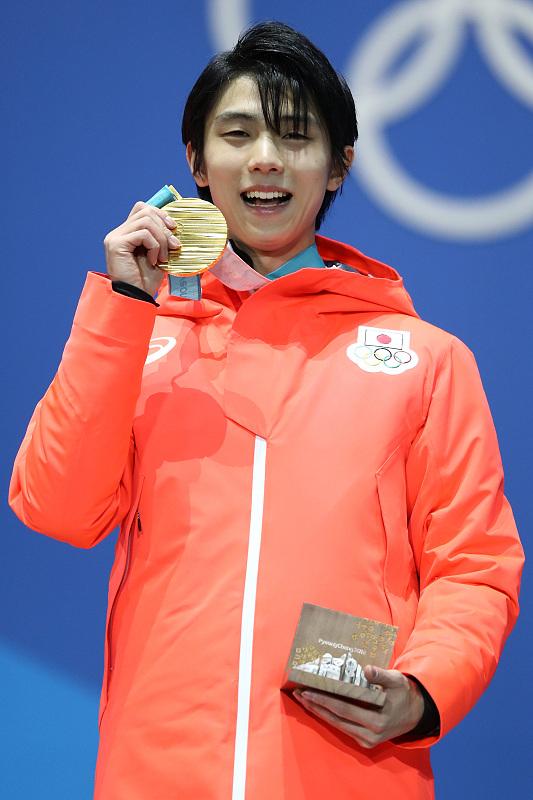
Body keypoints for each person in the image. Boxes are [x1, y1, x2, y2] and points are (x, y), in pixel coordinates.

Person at [9, 20, 524, 800]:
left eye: (295, 135)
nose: (265, 158)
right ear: (195, 161)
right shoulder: (135, 336)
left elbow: (474, 566)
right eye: (237, 133)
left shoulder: (426, 359)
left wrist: (424, 689)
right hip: (157, 774)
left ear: (339, 163)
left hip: (349, 773)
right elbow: (57, 510)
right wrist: (122, 307)